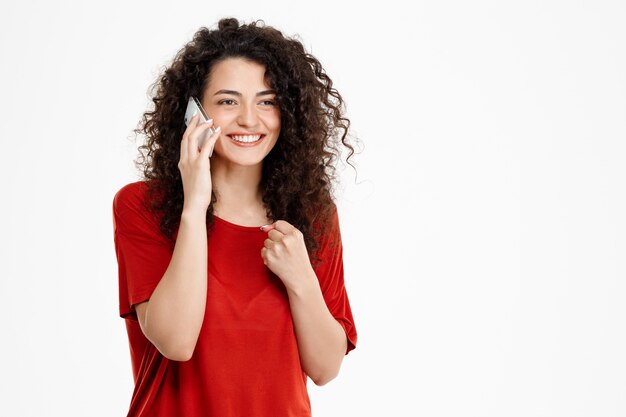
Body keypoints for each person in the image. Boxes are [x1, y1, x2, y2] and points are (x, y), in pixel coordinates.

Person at [112, 17, 358, 417]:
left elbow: (326, 368)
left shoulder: (312, 215)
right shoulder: (143, 205)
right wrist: (194, 205)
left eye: (267, 101)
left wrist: (300, 279)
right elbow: (176, 341)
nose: (248, 119)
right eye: (228, 101)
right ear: (193, 111)